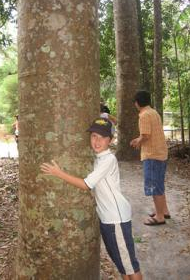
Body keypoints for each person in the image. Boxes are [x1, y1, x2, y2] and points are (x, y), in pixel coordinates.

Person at [41, 118, 142, 280]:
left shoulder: (108, 160)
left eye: (102, 137)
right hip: (108, 219)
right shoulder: (99, 158)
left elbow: (86, 185)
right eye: (94, 136)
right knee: (122, 264)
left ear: (111, 140)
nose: (97, 141)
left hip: (116, 219)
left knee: (130, 265)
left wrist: (58, 173)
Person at [130, 90, 170, 226]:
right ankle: (164, 210)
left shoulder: (144, 115)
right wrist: (139, 139)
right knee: (159, 183)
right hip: (161, 153)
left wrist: (137, 141)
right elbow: (149, 134)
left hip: (152, 155)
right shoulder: (153, 112)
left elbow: (146, 135)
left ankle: (159, 217)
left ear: (137, 103)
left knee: (154, 186)